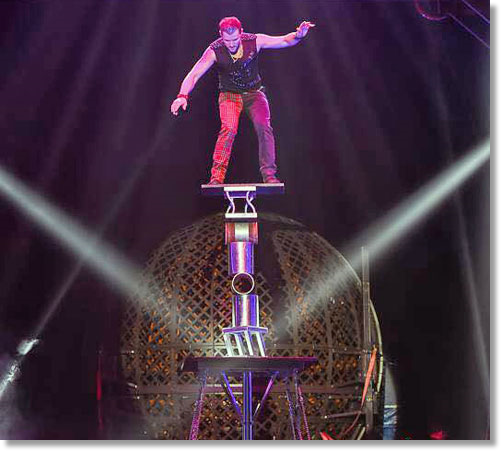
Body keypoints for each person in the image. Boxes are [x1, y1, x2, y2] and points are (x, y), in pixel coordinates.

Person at [170, 17, 315, 185]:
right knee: (229, 129)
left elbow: (283, 40)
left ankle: (269, 175)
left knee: (264, 126)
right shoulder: (214, 50)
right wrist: (182, 96)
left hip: (254, 93)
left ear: (241, 33)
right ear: (221, 35)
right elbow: (194, 74)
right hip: (229, 95)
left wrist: (298, 35)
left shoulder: (254, 41)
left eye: (234, 39)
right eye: (227, 40)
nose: (231, 44)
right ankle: (216, 178)